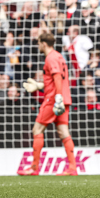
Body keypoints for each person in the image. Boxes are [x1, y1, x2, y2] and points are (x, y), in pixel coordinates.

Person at [18, 32, 77, 176]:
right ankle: (72, 168)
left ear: (44, 44)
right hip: (64, 98)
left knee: (37, 130)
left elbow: (57, 77)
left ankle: (34, 168)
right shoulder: (59, 56)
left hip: (53, 99)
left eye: (38, 43)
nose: (38, 46)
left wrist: (57, 97)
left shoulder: (50, 58)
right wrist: (40, 85)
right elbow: (55, 79)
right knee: (63, 132)